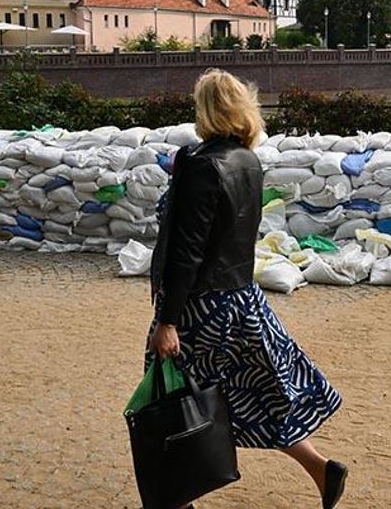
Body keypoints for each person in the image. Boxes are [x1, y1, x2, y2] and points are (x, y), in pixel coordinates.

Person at [146, 69, 347, 508]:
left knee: (178, 399)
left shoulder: (202, 166)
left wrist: (168, 320)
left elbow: (187, 252)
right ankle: (321, 468)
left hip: (200, 309)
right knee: (257, 394)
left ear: (204, 109)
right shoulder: (247, 159)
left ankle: (178, 497)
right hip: (241, 298)